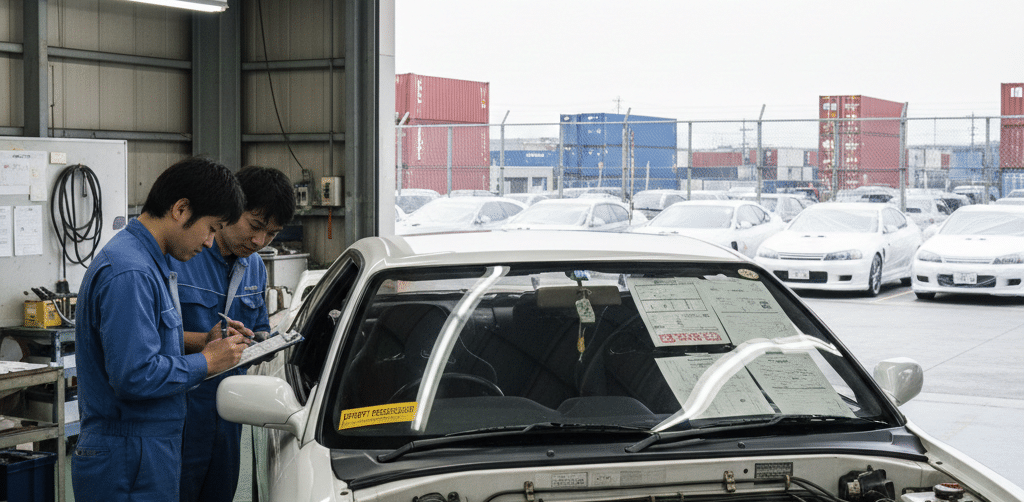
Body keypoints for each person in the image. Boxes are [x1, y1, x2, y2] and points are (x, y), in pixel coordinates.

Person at [71, 157, 252, 502]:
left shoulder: (151, 264)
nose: (211, 242)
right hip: (128, 454)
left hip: (147, 448)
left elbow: (148, 345)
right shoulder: (131, 272)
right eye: (211, 228)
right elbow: (134, 375)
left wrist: (205, 342)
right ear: (181, 209)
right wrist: (207, 362)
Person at [171, 166, 295, 502]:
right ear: (229, 209)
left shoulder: (253, 265)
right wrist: (204, 341)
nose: (259, 241)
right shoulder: (181, 256)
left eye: (271, 234)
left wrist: (264, 340)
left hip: (230, 413)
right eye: (255, 227)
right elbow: (149, 337)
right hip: (180, 409)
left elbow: (260, 327)